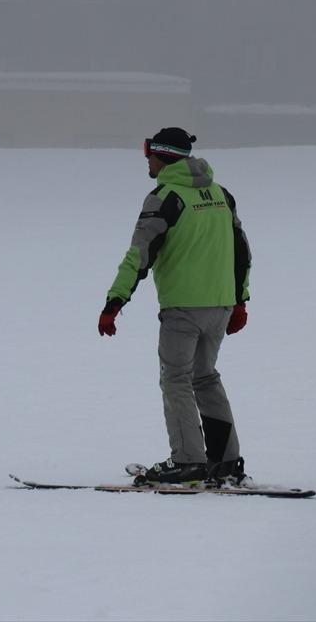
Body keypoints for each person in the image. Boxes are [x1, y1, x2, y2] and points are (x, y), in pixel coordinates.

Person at [98, 127, 252, 486]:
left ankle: (187, 462)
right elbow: (242, 251)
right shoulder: (221, 194)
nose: (146, 162)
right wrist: (240, 301)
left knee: (177, 380)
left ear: (163, 156)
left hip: (183, 309)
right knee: (206, 377)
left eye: (148, 155)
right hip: (220, 306)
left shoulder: (165, 197)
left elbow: (139, 255)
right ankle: (226, 462)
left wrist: (114, 302)